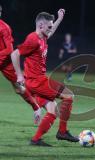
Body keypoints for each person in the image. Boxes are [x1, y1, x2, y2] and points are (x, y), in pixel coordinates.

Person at [11, 9, 79, 147]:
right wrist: (19, 74)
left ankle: (35, 140)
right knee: (69, 96)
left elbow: (51, 30)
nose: (50, 29)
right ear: (41, 25)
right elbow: (15, 54)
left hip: (35, 82)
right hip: (37, 81)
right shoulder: (33, 39)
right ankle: (62, 131)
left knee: (52, 111)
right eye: (49, 26)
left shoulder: (43, 36)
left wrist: (59, 19)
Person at [0, 4, 41, 125]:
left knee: (19, 89)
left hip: (5, 62)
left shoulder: (4, 28)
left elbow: (9, 50)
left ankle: (37, 107)